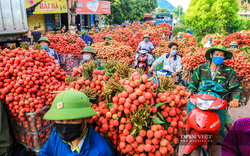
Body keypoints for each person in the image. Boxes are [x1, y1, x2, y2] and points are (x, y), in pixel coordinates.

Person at [187, 45, 243, 134]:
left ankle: (236, 142)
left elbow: (236, 87)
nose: (219, 57)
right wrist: (190, 91)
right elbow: (193, 83)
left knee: (227, 123)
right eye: (217, 54)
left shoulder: (229, 71)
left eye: (221, 55)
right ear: (211, 55)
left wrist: (235, 99)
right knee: (190, 116)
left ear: (224, 57)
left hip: (218, 103)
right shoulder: (201, 68)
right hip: (201, 100)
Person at [38, 90, 113, 156]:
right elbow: (45, 154)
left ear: (86, 118)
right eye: (60, 120)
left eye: (71, 119)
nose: (64, 127)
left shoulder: (101, 152)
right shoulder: (56, 134)